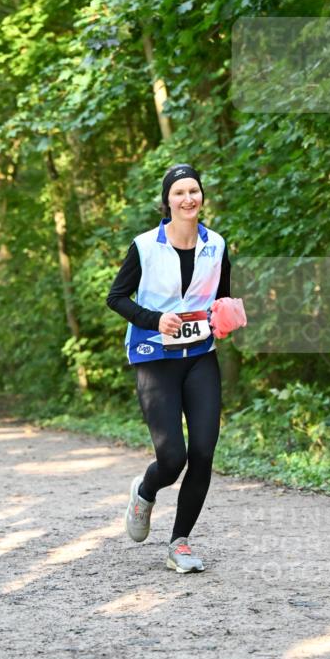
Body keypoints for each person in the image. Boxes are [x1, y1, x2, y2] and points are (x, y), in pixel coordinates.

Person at [107, 163, 245, 575]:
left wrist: (225, 315)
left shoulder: (216, 244)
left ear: (202, 196)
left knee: (203, 451)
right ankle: (145, 490)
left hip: (200, 355)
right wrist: (155, 319)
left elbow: (222, 295)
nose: (188, 198)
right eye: (179, 192)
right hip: (155, 358)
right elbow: (117, 297)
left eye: (193, 191)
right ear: (167, 201)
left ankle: (179, 543)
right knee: (172, 458)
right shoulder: (145, 246)